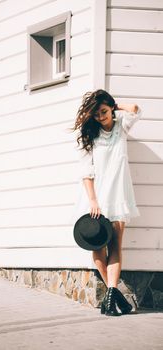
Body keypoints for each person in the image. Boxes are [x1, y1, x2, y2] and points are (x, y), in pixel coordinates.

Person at [72, 89, 141, 316]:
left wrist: (115, 105)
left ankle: (110, 299)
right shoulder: (90, 136)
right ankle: (115, 296)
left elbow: (136, 110)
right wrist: (93, 201)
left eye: (103, 111)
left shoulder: (121, 126)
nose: (101, 117)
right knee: (97, 248)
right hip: (97, 199)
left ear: (110, 108)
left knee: (115, 247)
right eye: (96, 114)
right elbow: (86, 172)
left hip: (119, 195)